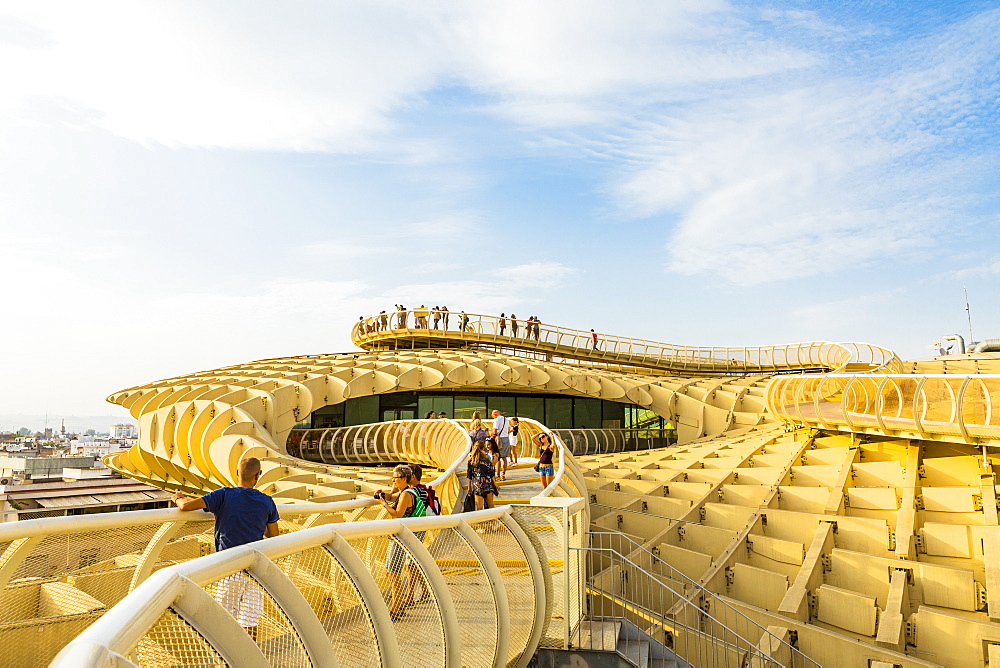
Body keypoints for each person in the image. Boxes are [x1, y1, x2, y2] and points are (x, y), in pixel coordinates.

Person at [172, 457, 279, 638]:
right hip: (256, 566)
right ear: (257, 476)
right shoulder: (267, 501)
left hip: (229, 567)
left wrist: (178, 498)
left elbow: (186, 507)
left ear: (237, 473)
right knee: (250, 620)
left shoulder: (224, 495)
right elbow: (274, 537)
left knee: (224, 620)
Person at [374, 464, 427, 619]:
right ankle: (400, 605)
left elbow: (397, 514)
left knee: (393, 573)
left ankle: (396, 609)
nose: (393, 480)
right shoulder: (409, 492)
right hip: (407, 535)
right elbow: (393, 496)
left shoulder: (405, 494)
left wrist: (382, 504)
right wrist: (385, 494)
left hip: (400, 537)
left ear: (404, 479)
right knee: (393, 572)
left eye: (395, 478)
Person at [467, 440, 498, 510]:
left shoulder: (471, 461)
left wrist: (469, 487)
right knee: (491, 506)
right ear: (482, 448)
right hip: (488, 484)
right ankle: (492, 520)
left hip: (477, 486)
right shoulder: (487, 459)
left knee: (479, 507)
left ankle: (481, 521)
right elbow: (491, 473)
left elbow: (469, 475)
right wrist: (495, 484)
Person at [491, 409, 511, 480]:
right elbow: (508, 430)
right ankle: (503, 474)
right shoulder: (506, 419)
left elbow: (495, 430)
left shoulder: (497, 420)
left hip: (499, 439)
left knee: (498, 457)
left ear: (494, 414)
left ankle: (498, 475)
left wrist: (493, 437)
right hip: (506, 438)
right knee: (504, 458)